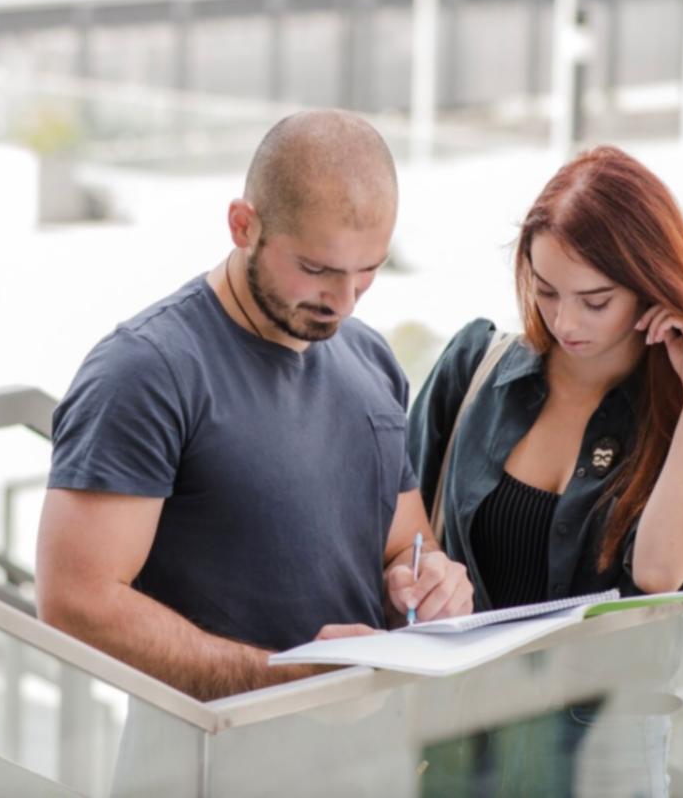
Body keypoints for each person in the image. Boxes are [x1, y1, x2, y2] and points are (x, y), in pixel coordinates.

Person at [408, 145, 683, 795]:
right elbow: (397, 529)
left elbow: (657, 574)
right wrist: (417, 578)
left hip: (606, 749)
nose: (565, 321)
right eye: (545, 292)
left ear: (652, 285)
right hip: (465, 731)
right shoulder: (476, 369)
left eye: (595, 301)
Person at [36, 109, 473, 703]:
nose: (343, 302)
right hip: (209, 762)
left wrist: (426, 582)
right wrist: (286, 679)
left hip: (366, 754)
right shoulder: (144, 371)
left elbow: (404, 544)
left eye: (368, 271)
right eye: (316, 270)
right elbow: (75, 604)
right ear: (243, 225)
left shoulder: (369, 357)